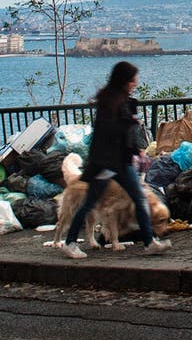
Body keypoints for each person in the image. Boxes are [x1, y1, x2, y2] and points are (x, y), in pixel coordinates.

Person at [58, 61, 171, 259]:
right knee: (89, 203)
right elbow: (110, 132)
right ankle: (70, 243)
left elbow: (121, 134)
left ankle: (149, 241)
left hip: (120, 162)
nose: (135, 82)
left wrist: (136, 149)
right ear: (124, 79)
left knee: (139, 197)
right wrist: (128, 122)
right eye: (133, 79)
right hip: (107, 163)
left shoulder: (119, 99)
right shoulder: (111, 102)